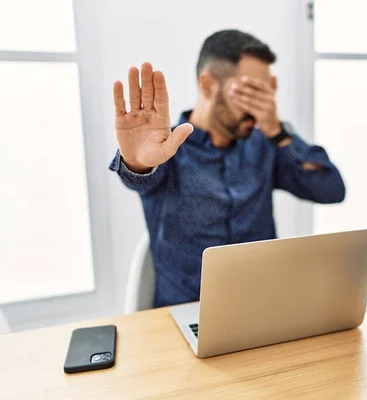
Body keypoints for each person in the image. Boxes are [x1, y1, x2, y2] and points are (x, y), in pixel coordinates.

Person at [109, 30, 345, 307]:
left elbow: (331, 189)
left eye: (267, 92)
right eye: (250, 92)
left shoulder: (265, 144)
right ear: (208, 86)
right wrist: (137, 161)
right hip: (185, 312)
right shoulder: (167, 148)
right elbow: (139, 175)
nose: (261, 105)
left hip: (264, 307)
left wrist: (277, 132)